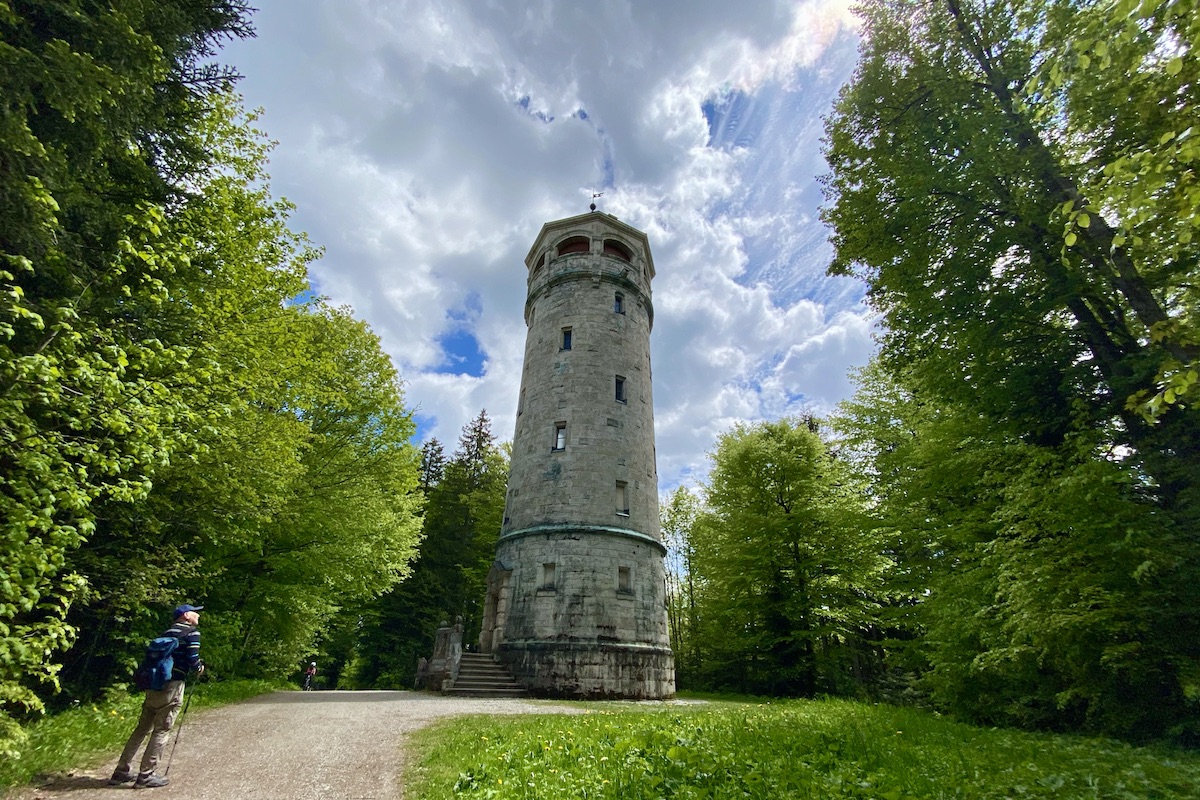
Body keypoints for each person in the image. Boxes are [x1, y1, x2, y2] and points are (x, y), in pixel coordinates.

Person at [110, 604, 206, 789]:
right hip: (173, 685)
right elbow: (193, 660)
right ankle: (146, 775)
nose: (198, 616)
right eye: (196, 613)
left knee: (141, 729)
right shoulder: (191, 633)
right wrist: (199, 668)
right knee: (162, 729)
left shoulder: (166, 633)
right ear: (186, 616)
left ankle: (121, 771)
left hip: (154, 684)